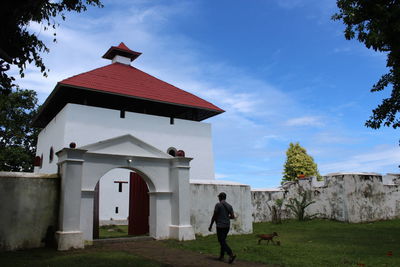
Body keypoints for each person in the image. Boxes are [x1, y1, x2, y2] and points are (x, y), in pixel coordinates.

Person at [208, 192, 237, 264]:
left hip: (220, 226)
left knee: (222, 241)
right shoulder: (229, 206)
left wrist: (211, 225)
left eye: (219, 197)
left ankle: (231, 254)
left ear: (220, 197)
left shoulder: (218, 205)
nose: (218, 198)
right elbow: (233, 217)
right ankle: (221, 256)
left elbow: (214, 216)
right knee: (223, 240)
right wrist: (227, 217)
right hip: (227, 226)